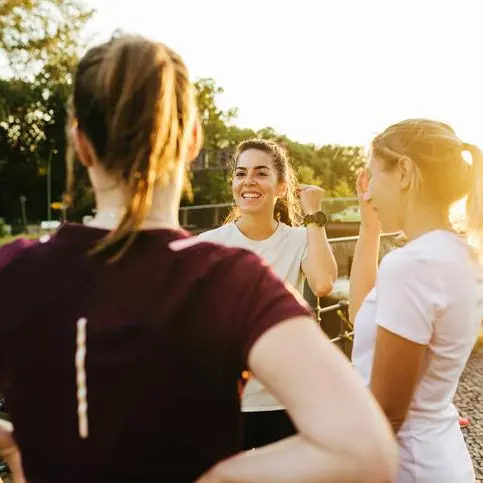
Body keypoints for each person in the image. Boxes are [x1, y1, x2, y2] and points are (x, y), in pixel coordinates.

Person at [0, 35, 397, 483]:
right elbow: (366, 451)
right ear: (191, 140)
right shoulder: (230, 278)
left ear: (81, 143)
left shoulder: (13, 271)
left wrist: (14, 441)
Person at [350, 118, 483, 482]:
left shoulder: (411, 264)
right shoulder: (459, 254)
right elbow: (365, 314)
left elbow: (387, 412)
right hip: (441, 456)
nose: (369, 192)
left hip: (407, 467)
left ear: (404, 172)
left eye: (373, 175)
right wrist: (370, 225)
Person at [198, 138, 337, 449]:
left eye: (261, 173)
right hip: (226, 402)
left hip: (287, 399)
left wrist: (314, 215)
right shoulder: (209, 244)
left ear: (281, 187)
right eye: (240, 173)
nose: (248, 181)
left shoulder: (301, 238)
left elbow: (324, 284)